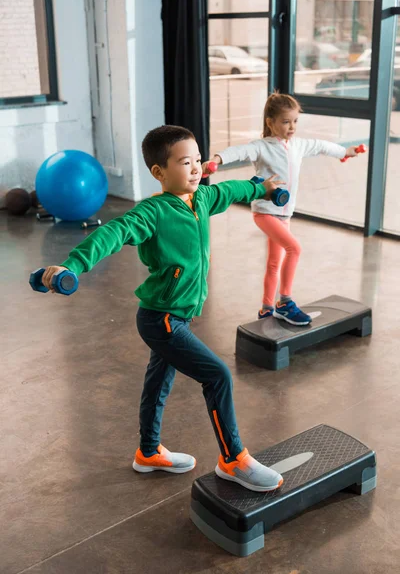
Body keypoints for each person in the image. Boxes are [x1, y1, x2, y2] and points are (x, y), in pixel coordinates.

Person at [39, 125, 285, 493]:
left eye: (198, 160)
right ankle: (233, 459)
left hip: (178, 316)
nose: (196, 168)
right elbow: (113, 232)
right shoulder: (152, 212)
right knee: (217, 375)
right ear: (159, 172)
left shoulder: (200, 199)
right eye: (186, 162)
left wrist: (259, 187)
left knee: (158, 383)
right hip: (162, 319)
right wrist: (73, 265)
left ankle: (149, 452)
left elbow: (229, 190)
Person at [203, 92, 362, 326]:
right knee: (294, 249)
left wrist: (344, 153)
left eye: (295, 121)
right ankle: (285, 302)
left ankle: (266, 309)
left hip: (284, 214)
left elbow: (321, 145)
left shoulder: (297, 145)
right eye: (286, 121)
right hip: (265, 212)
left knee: (274, 263)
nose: (292, 127)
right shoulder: (262, 147)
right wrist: (217, 158)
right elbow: (238, 151)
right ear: (271, 122)